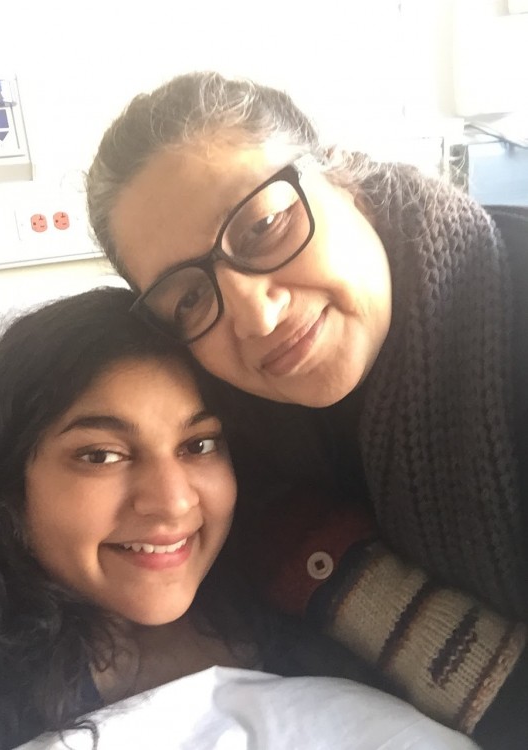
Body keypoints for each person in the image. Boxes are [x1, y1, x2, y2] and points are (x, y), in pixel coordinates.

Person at [85, 71, 528, 747]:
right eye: (187, 299)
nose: (256, 316)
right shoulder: (227, 443)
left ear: (343, 180)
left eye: (263, 225)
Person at [0, 286, 478, 750]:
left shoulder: (312, 590)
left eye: (199, 444)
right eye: (101, 455)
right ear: (6, 483)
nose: (172, 501)